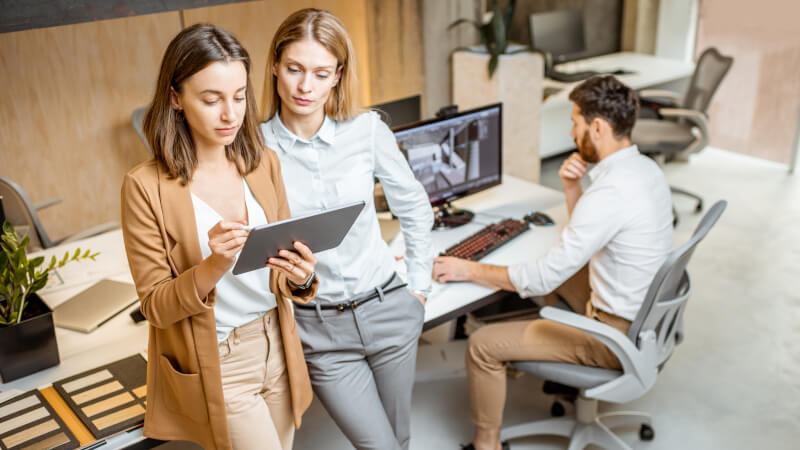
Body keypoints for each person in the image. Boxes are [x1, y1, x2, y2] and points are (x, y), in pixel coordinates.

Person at [432, 75, 674, 450]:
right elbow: (589, 236)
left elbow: (542, 278)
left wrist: (469, 268)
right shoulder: (644, 170)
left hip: (613, 335)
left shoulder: (610, 192)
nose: (572, 131)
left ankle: (486, 443)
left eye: (575, 122)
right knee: (552, 269)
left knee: (482, 344)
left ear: (597, 127)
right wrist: (572, 189)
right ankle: (542, 364)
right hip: (642, 318)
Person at [121, 24, 319, 450]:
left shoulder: (263, 162)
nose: (230, 114)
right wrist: (213, 266)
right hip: (222, 359)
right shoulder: (144, 187)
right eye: (211, 100)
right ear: (176, 98)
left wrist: (300, 276)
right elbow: (155, 306)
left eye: (240, 96)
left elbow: (280, 273)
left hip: (279, 345)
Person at [260, 9, 434, 450]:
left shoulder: (367, 130)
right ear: (275, 64)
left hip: (389, 307)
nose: (305, 87)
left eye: (321, 74)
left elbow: (414, 205)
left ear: (338, 76)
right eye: (295, 69)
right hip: (319, 328)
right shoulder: (254, 149)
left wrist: (420, 288)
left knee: (400, 439)